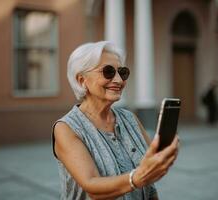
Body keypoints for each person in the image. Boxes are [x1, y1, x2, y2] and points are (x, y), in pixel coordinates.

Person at [52, 41, 179, 200]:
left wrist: (163, 157)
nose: (119, 80)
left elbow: (149, 176)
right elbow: (93, 187)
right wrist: (137, 177)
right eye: (108, 72)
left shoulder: (129, 118)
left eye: (123, 72)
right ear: (81, 80)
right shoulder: (67, 128)